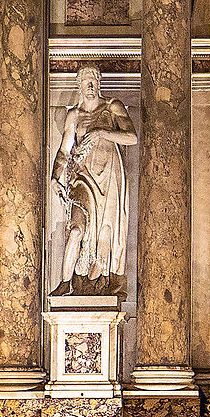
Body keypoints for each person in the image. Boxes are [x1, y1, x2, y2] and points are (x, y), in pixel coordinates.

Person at [49, 66, 136, 295]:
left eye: (93, 81)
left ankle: (98, 280)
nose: (90, 86)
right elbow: (64, 150)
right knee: (76, 230)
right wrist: (54, 177)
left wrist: (101, 133)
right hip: (83, 177)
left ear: (99, 83)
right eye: (85, 81)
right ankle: (66, 282)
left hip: (110, 177)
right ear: (78, 85)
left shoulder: (112, 107)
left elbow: (131, 137)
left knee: (105, 233)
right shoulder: (74, 115)